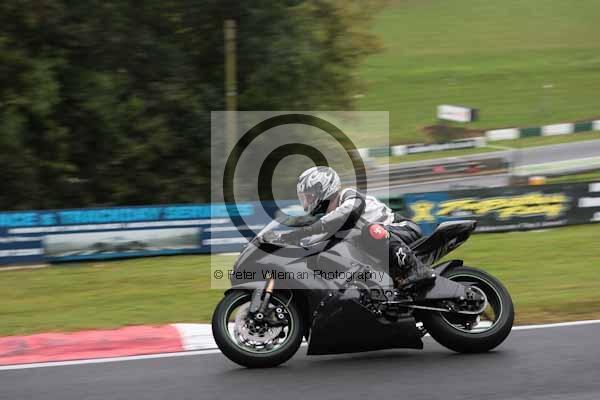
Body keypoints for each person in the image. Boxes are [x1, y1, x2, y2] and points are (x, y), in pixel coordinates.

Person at [279, 166, 436, 287]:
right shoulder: (329, 215)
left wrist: (304, 231)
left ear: (323, 189)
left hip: (403, 229)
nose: (306, 201)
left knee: (370, 230)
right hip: (384, 247)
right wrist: (290, 242)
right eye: (304, 198)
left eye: (309, 196)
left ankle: (416, 269)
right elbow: (317, 239)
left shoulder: (348, 195)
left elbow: (347, 212)